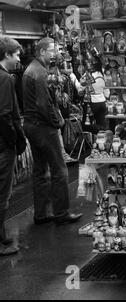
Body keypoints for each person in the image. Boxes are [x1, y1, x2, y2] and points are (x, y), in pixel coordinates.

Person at [22, 37, 82, 225]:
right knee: (59, 169)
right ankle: (61, 212)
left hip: (32, 126)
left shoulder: (31, 70)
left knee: (40, 170)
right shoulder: (39, 72)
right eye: (52, 50)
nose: (55, 53)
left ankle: (41, 214)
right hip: (43, 128)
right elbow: (44, 104)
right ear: (42, 52)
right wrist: (58, 122)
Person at [0, 36, 26, 256]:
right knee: (2, 194)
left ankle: (2, 235)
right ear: (7, 55)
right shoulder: (6, 79)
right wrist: (16, 142)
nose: (18, 58)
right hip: (2, 146)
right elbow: (6, 115)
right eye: (16, 54)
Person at [70, 56, 110, 132]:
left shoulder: (87, 76)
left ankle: (93, 140)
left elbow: (80, 90)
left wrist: (72, 77)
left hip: (92, 103)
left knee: (88, 125)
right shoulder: (102, 73)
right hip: (102, 102)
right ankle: (101, 139)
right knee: (102, 124)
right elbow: (107, 92)